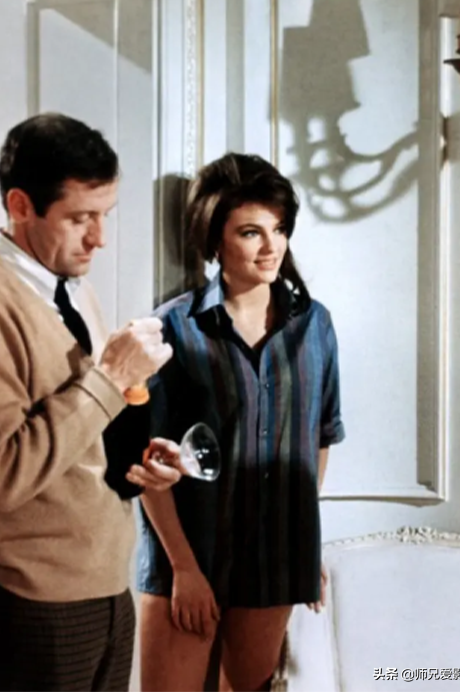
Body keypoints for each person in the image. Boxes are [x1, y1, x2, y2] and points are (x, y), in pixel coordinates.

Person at [136, 152, 345, 691]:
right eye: (251, 232)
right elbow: (147, 461)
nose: (271, 246)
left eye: (279, 229)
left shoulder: (315, 326)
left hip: (274, 562)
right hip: (187, 558)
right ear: (215, 240)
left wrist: (304, 542)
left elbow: (319, 437)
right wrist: (184, 568)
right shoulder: (173, 329)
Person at [0, 112, 182, 692]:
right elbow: (1, 476)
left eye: (104, 216)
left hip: (107, 587)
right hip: (33, 602)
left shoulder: (71, 290)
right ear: (20, 206)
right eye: (79, 219)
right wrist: (109, 378)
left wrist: (143, 460)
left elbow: (83, 435)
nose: (99, 238)